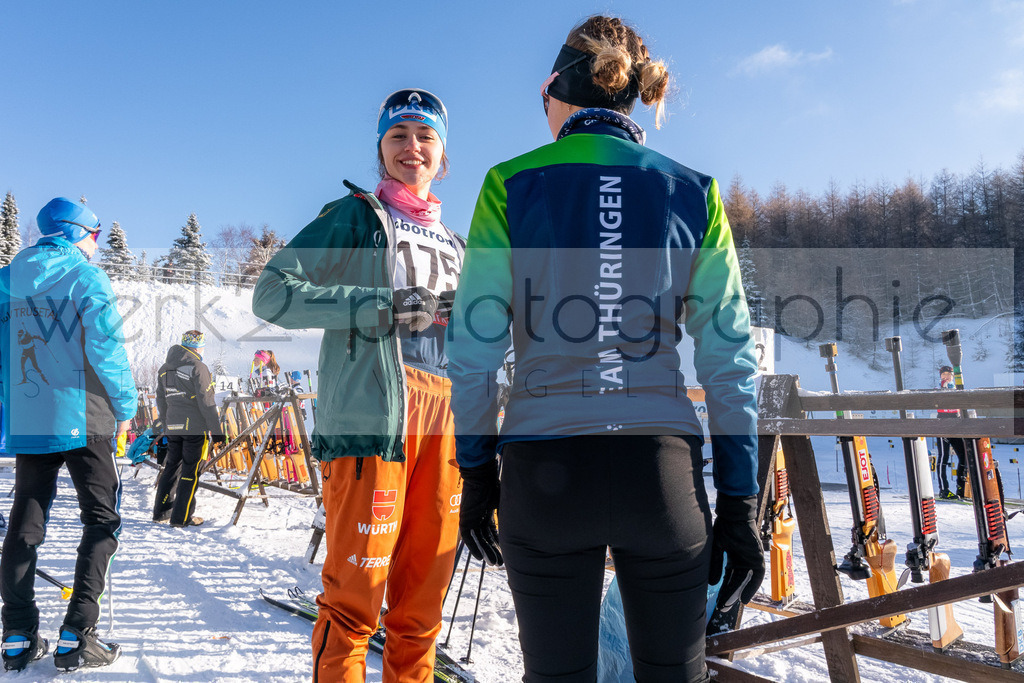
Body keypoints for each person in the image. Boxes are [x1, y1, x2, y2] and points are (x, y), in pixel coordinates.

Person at [447, 16, 763, 682]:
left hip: (544, 469)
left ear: (560, 87)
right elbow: (730, 361)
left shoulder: (510, 183)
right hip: (659, 470)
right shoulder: (695, 190)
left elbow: (473, 350)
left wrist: (476, 472)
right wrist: (740, 500)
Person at [252, 88, 465, 682]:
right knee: (354, 602)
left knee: (421, 609)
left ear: (442, 152)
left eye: (425, 137)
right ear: (380, 148)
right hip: (375, 418)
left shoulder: (458, 244)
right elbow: (273, 293)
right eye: (398, 136)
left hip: (445, 425)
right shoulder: (357, 217)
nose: (411, 148)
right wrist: (385, 306)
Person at [0, 197, 136, 671]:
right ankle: (79, 634)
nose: (97, 244)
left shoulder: (6, 280)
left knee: (25, 521)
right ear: (78, 233)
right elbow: (107, 346)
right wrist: (126, 406)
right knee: (101, 520)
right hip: (87, 412)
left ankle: (16, 635)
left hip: (31, 415)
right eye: (94, 235)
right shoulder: (85, 276)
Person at [153, 330, 225, 527]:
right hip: (194, 427)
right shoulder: (197, 366)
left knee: (171, 468)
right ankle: (181, 517)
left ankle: (161, 512)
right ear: (197, 347)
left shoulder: (164, 368)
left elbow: (161, 399)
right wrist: (217, 431)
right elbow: (206, 401)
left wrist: (166, 422)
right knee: (190, 471)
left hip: (173, 426)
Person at [936, 365, 967, 499]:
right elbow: (939, 397)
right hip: (942, 423)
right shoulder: (939, 388)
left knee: (963, 456)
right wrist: (945, 385)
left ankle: (961, 488)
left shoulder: (956, 388)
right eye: (944, 374)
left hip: (956, 423)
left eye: (949, 374)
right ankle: (944, 489)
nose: (946, 377)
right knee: (944, 457)